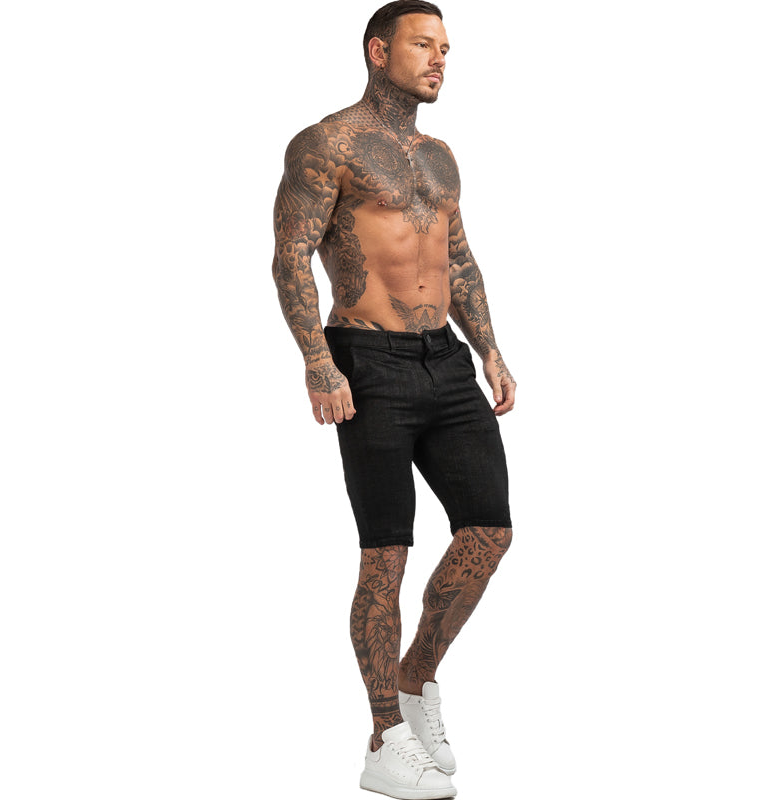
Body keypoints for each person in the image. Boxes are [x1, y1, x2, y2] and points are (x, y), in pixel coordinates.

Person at [272, 2, 515, 796]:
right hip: (367, 360)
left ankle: (416, 679)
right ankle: (383, 739)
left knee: (489, 532)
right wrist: (319, 363)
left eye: (446, 48)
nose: (439, 58)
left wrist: (489, 348)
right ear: (378, 51)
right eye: (423, 43)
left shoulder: (439, 157)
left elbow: (460, 259)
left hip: (444, 360)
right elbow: (290, 256)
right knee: (387, 554)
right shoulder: (327, 144)